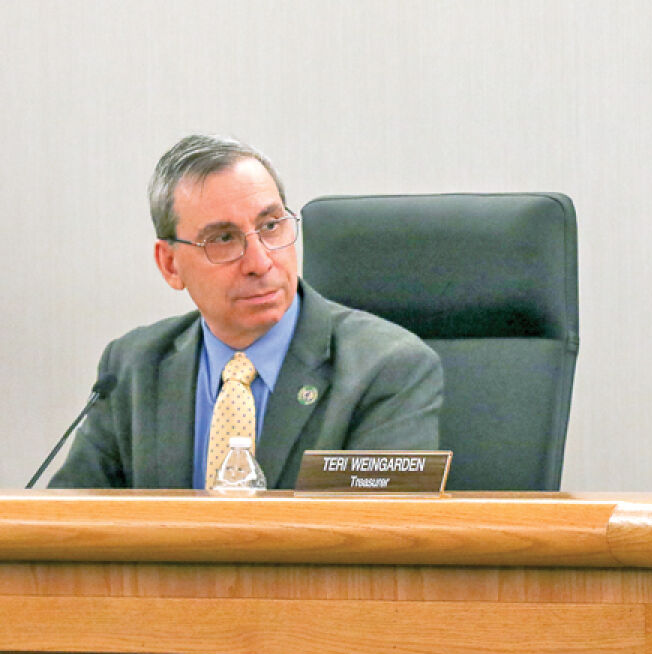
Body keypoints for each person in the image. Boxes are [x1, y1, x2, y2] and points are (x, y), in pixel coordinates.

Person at [49, 134, 442, 489]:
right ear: (170, 264)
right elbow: (67, 530)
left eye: (271, 226)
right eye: (223, 238)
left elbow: (377, 541)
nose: (260, 262)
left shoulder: (385, 369)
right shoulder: (134, 368)